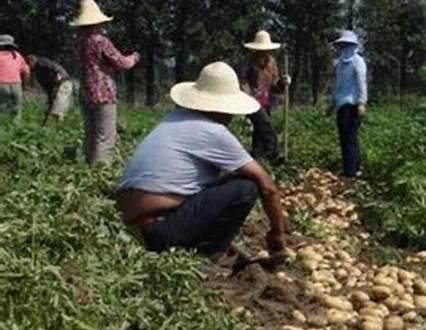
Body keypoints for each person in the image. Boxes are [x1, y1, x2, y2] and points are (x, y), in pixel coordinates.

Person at [115, 62, 286, 260]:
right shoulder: (213, 132)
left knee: (224, 178)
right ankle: (209, 254)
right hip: (160, 229)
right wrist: (277, 233)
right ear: (223, 108)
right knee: (246, 187)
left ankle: (196, 244)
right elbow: (267, 186)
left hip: (131, 228)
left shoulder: (173, 119)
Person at [71, 0, 140, 166]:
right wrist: (134, 58)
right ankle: (99, 173)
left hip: (85, 91)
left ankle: (88, 167)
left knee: (91, 133)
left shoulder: (77, 42)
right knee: (105, 137)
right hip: (103, 92)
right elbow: (122, 63)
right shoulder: (100, 40)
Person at [243, 30, 291, 166]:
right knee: (266, 125)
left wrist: (283, 82)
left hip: (267, 100)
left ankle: (256, 157)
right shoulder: (250, 63)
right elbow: (243, 81)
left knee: (259, 130)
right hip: (252, 101)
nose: (263, 53)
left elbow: (275, 84)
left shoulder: (272, 62)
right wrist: (248, 96)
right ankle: (273, 155)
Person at [332, 30, 367, 178]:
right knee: (344, 137)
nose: (345, 48)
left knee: (350, 137)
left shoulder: (357, 61)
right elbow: (338, 85)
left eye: (347, 45)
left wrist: (361, 102)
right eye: (343, 45)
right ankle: (350, 167)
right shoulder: (340, 63)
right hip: (342, 104)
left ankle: (351, 171)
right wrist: (332, 103)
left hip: (353, 104)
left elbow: (361, 83)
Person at [27, 55, 73, 122]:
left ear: (32, 61)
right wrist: (50, 98)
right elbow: (47, 86)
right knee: (55, 107)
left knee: (58, 106)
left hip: (63, 83)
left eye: (29, 64)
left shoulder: (40, 62)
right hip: (57, 85)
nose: (28, 67)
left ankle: (58, 124)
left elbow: (54, 67)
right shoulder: (37, 72)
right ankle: (57, 124)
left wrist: (59, 75)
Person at [0, 35, 30, 122]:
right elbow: (26, 72)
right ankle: (16, 127)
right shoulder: (17, 56)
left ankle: (3, 128)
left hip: (1, 84)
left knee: (2, 107)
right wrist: (24, 85)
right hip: (16, 84)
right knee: (17, 108)